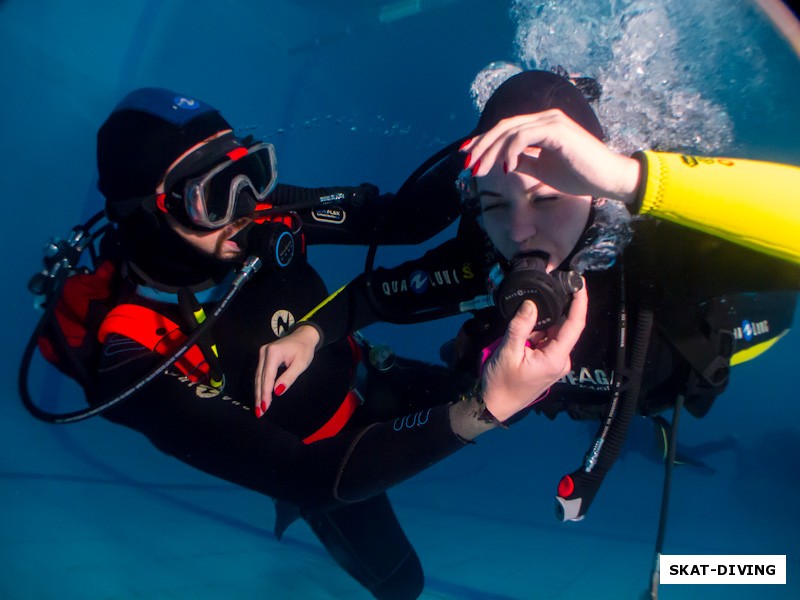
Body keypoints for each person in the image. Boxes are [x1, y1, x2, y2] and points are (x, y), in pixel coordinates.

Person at [78, 86, 586, 599]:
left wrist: (500, 129)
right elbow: (304, 477)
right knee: (403, 582)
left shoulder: (264, 211)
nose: (244, 206)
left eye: (247, 174)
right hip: (329, 460)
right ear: (145, 213)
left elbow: (404, 222)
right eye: (212, 195)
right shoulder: (131, 355)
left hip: (371, 375)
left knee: (530, 397)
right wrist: (485, 407)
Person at [258, 69, 800, 523]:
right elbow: (376, 296)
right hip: (585, 391)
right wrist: (310, 333)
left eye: (546, 199)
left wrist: (634, 180)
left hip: (704, 350)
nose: (517, 233)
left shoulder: (663, 252)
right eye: (495, 205)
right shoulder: (484, 264)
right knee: (468, 359)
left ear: (595, 187)